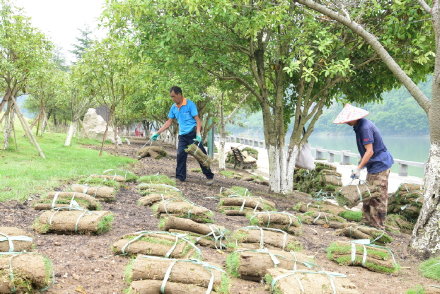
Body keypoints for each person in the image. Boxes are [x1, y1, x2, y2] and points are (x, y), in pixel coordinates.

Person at [333, 104, 394, 229]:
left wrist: (359, 168)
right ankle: (366, 223)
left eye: (347, 120)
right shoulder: (359, 126)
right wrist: (359, 166)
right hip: (373, 166)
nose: (346, 123)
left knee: (378, 197)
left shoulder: (364, 128)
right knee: (367, 194)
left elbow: (370, 151)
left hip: (380, 165)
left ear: (354, 117)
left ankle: (378, 227)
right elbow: (365, 152)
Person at [150, 86, 214, 185]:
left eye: (174, 96)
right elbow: (168, 122)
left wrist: (198, 134)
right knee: (180, 155)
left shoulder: (190, 104)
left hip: (192, 133)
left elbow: (198, 120)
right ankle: (180, 177)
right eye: (171, 97)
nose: (173, 99)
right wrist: (157, 133)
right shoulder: (173, 107)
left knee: (200, 155)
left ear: (179, 94)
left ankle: (209, 176)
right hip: (182, 135)